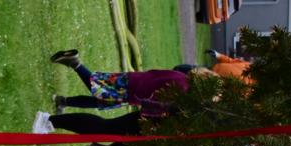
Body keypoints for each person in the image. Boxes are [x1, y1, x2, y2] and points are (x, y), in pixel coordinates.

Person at [49, 49, 202, 118]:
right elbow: (158, 102)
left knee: (100, 101)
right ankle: (75, 63)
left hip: (135, 82)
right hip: (132, 89)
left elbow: (156, 73)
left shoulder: (182, 76)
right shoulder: (183, 89)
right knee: (98, 88)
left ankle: (63, 101)